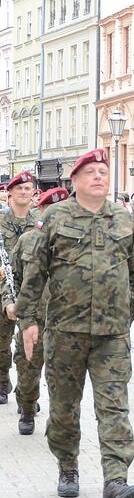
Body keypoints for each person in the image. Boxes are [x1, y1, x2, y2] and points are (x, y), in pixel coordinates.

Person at [15, 148, 134, 498]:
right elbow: (34, 274)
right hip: (65, 332)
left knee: (114, 407)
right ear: (74, 180)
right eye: (90, 172)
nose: (98, 177)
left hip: (112, 334)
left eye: (103, 172)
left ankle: (115, 481)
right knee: (64, 408)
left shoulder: (123, 219)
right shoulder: (56, 218)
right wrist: (28, 321)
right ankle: (67, 466)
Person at [3, 187, 68, 434]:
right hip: (33, 318)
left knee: (63, 375)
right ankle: (28, 408)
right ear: (41, 210)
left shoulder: (77, 244)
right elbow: (11, 278)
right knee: (28, 370)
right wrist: (9, 303)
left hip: (66, 321)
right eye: (52, 210)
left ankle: (61, 420)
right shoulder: (28, 241)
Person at [0, 170, 38, 406]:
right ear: (10, 193)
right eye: (19, 189)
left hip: (31, 291)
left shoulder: (40, 223)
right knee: (1, 342)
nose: (24, 192)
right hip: (2, 287)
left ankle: (27, 392)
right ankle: (2, 381)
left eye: (27, 189)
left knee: (29, 345)